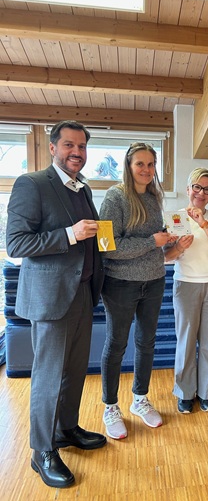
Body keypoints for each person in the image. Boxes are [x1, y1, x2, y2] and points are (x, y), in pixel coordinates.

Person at [6, 120, 106, 489]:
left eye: (82, 146)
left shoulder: (83, 188)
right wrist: (70, 234)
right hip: (51, 299)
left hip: (82, 293)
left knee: (75, 370)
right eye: (69, 145)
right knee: (48, 376)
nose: (76, 152)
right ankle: (41, 450)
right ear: (53, 148)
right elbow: (17, 243)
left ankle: (65, 429)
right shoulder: (31, 184)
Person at [100, 142, 176, 439]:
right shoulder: (115, 196)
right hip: (120, 283)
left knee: (146, 343)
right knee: (116, 344)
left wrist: (169, 242)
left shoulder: (154, 197)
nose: (146, 169)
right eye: (140, 164)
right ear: (128, 166)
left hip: (154, 280)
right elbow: (107, 246)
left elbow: (155, 243)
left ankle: (140, 399)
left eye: (151, 164)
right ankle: (110, 406)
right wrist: (151, 242)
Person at [164, 168, 208, 413]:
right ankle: (185, 392)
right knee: (186, 342)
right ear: (188, 189)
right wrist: (179, 247)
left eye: (207, 189)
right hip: (186, 284)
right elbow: (166, 257)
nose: (201, 193)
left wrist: (203, 223)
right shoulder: (175, 218)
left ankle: (206, 392)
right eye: (197, 187)